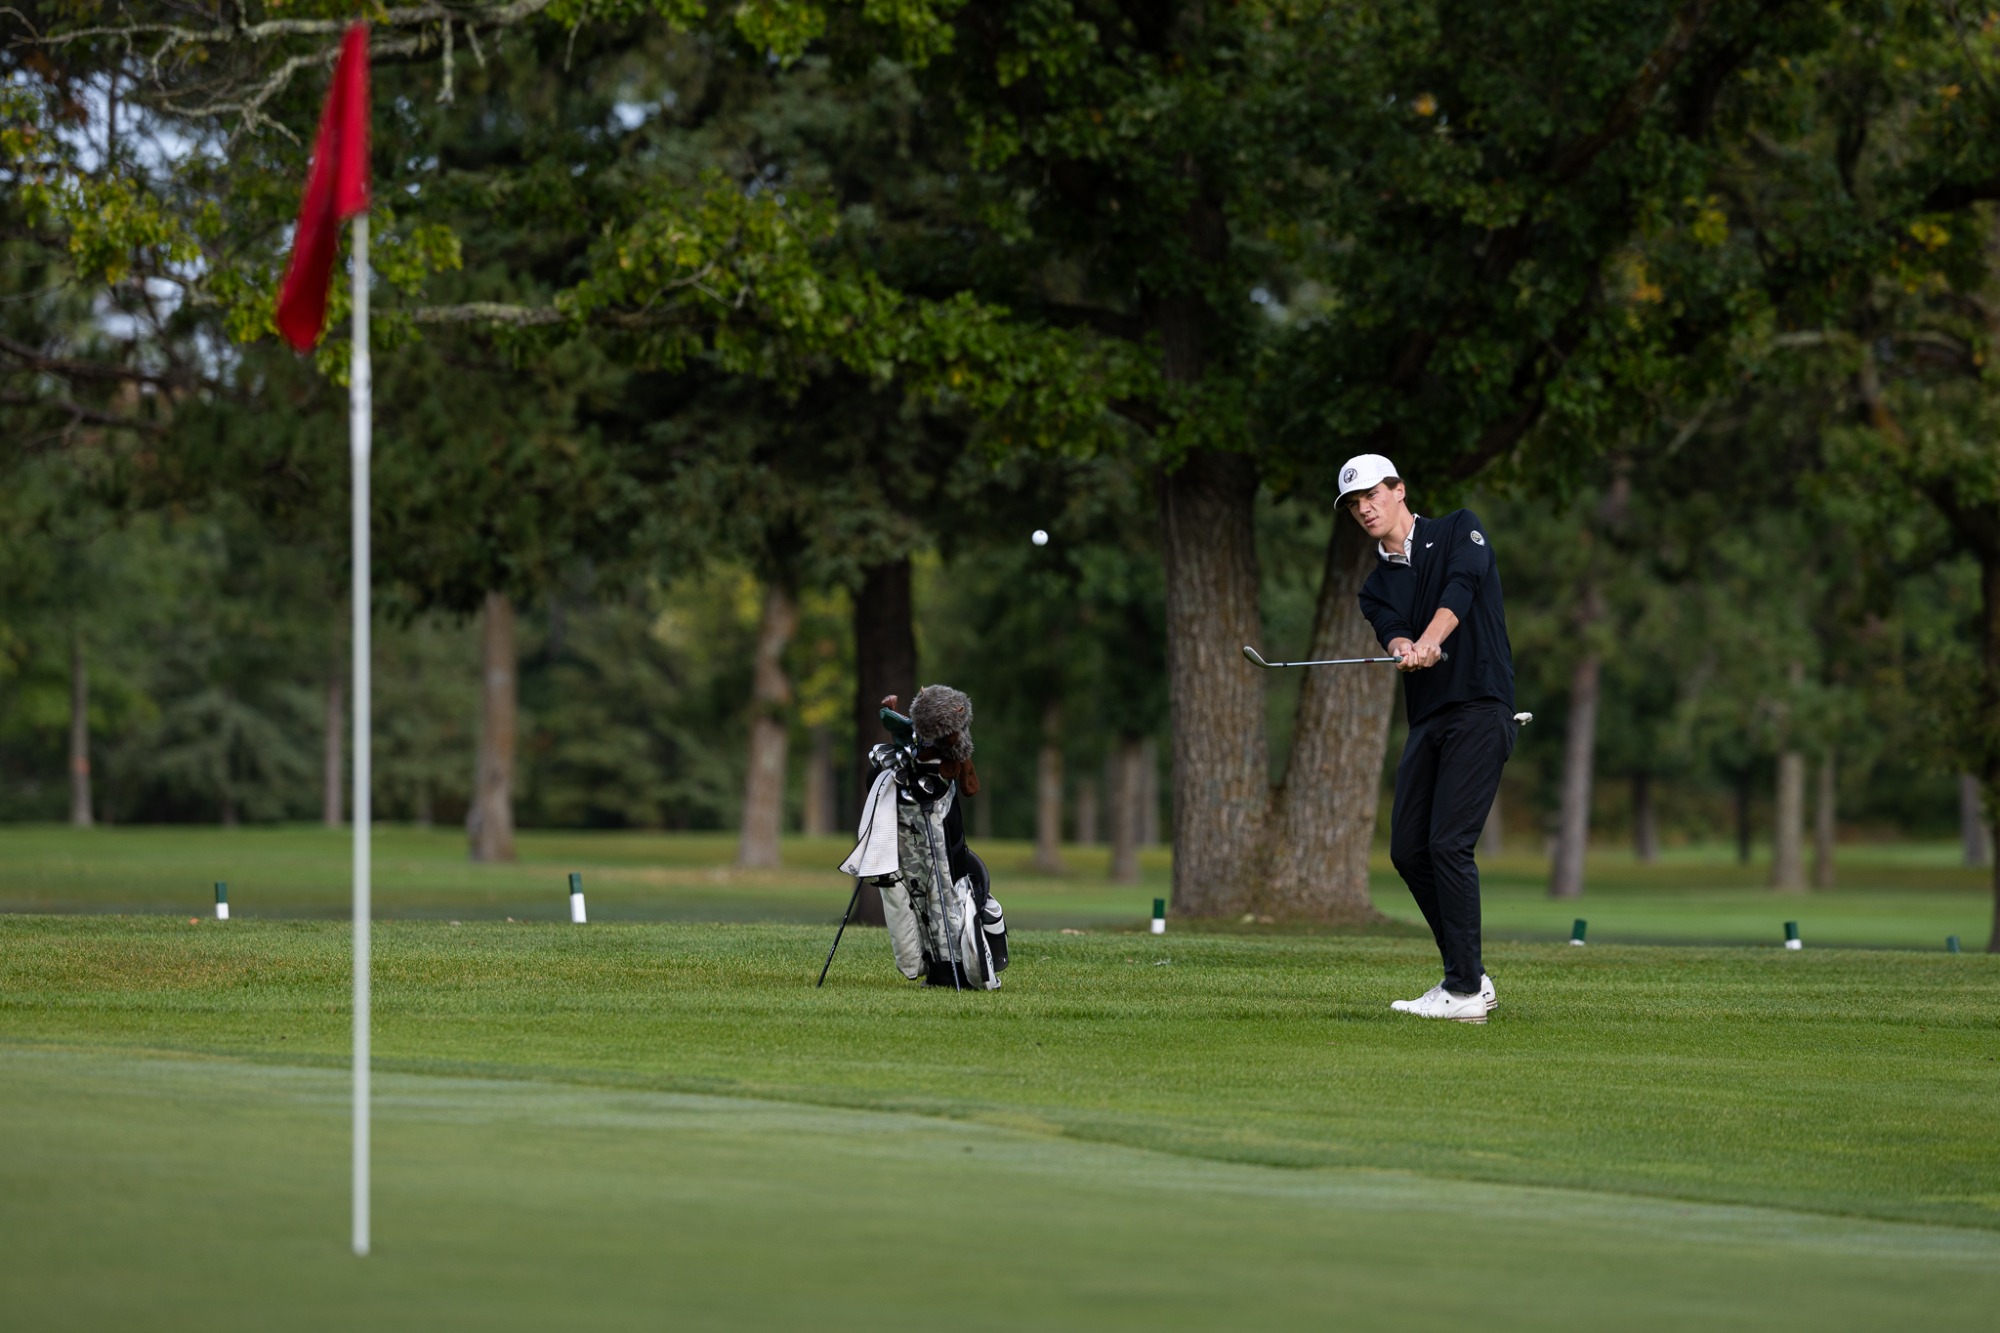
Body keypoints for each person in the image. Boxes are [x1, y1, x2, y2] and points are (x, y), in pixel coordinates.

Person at [1343, 454, 1515, 1023]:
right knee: (1408, 850)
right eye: (1354, 504)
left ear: (1399, 490)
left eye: (1372, 495)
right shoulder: (1375, 586)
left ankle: (1462, 991)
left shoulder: (1460, 528)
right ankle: (1470, 974)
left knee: (1448, 844)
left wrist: (1432, 638)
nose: (1364, 509)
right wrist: (1403, 648)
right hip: (1430, 718)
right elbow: (1392, 632)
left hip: (1481, 706)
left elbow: (1462, 588)